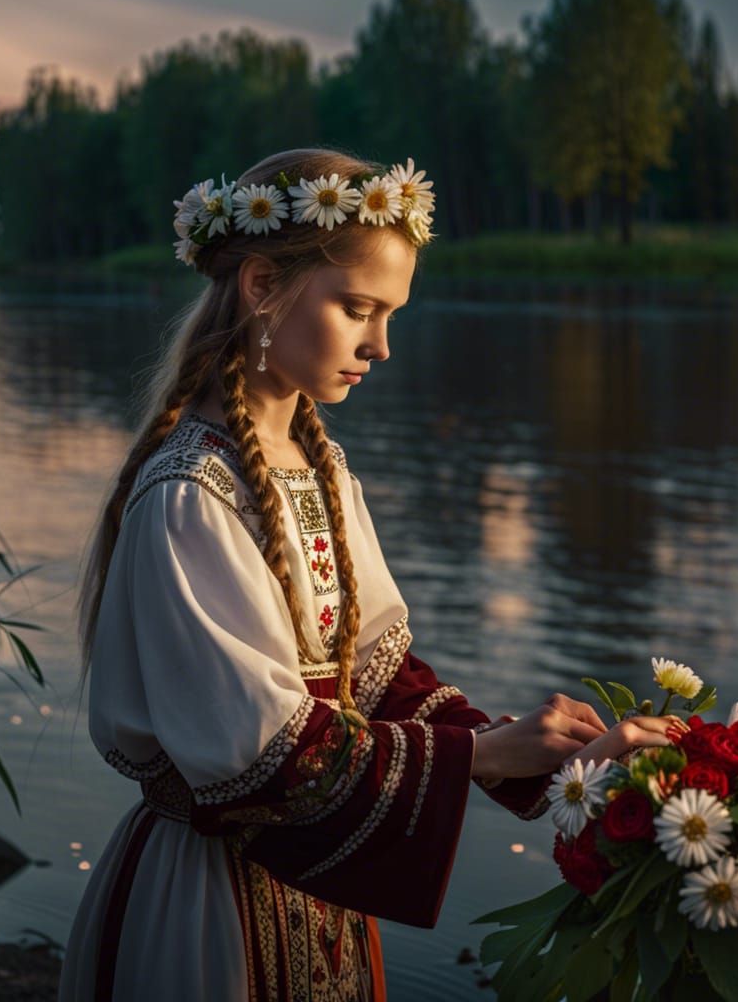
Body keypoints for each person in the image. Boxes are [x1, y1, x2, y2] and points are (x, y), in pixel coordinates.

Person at [57, 147, 683, 1002]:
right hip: (210, 906)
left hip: (319, 891)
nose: (380, 346)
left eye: (391, 315)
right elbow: (266, 756)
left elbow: (377, 680)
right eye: (358, 308)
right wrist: (477, 755)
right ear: (262, 286)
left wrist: (551, 758)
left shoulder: (319, 468)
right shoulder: (189, 495)